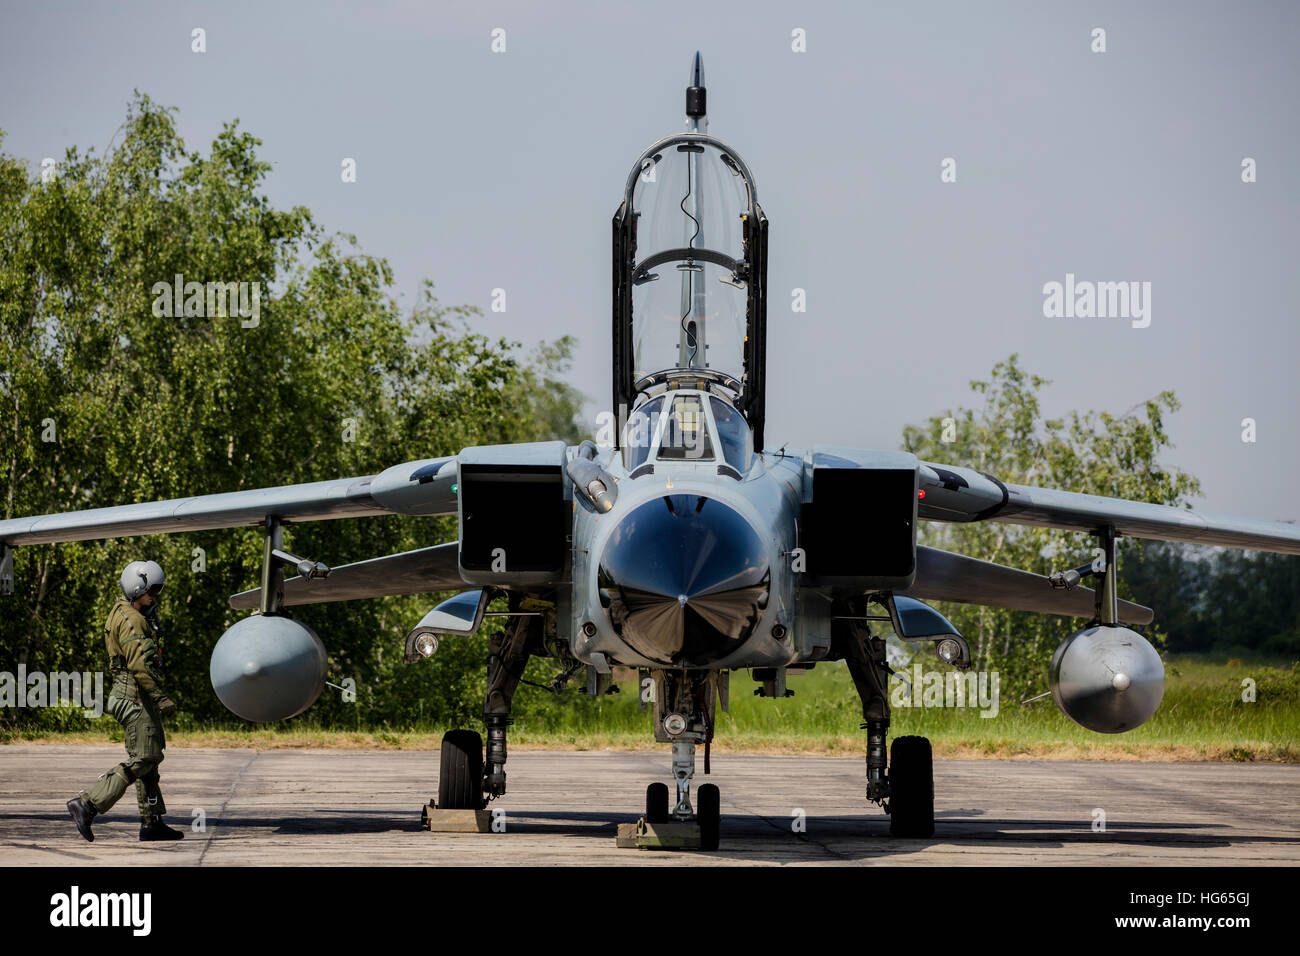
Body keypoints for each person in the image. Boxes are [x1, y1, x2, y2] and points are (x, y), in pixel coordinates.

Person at [66, 560, 183, 842]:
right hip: (135, 697)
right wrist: (161, 698)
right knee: (144, 757)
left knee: (150, 763)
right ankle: (88, 804)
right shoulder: (132, 619)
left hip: (131, 694)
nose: (154, 596)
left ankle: (151, 823)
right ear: (137, 587)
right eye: (152, 591)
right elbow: (141, 665)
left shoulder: (123, 612)